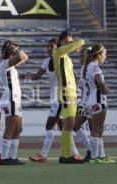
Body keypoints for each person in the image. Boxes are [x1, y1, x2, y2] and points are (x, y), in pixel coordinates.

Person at [21, 38, 81, 162]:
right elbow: (36, 77)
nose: (49, 49)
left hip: (61, 98)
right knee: (62, 126)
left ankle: (43, 155)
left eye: (51, 47)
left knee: (50, 126)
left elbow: (74, 77)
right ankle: (75, 153)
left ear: (57, 48)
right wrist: (23, 77)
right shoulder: (46, 61)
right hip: (55, 98)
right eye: (47, 47)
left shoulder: (62, 59)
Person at [52, 31, 85, 163]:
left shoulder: (67, 58)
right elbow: (80, 42)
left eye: (70, 42)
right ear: (60, 42)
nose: (70, 44)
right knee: (69, 124)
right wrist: (78, 43)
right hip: (66, 92)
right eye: (67, 41)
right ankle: (66, 155)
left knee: (68, 125)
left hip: (71, 92)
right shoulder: (58, 52)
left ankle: (65, 155)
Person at [0, 40, 28, 165]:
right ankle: (4, 158)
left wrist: (16, 47)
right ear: (8, 51)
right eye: (11, 49)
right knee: (10, 129)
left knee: (18, 129)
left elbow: (25, 57)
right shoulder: (5, 63)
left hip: (15, 99)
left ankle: (13, 157)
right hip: (10, 99)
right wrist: (15, 48)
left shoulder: (10, 65)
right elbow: (21, 56)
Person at [84, 44, 115, 164]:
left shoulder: (89, 66)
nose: (105, 56)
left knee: (99, 129)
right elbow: (100, 83)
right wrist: (106, 90)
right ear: (98, 55)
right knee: (97, 129)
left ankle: (100, 156)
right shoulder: (95, 67)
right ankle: (94, 157)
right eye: (104, 54)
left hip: (92, 100)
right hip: (97, 101)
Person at [73, 47, 92, 162]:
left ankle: (94, 153)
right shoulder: (83, 68)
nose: (81, 57)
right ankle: (91, 151)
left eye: (83, 55)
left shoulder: (90, 68)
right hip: (83, 103)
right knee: (75, 126)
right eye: (80, 55)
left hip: (88, 103)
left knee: (93, 129)